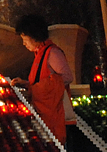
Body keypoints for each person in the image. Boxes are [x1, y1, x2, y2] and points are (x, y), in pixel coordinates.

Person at [11, 15, 74, 144]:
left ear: (34, 36)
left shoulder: (52, 53)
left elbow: (67, 77)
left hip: (55, 115)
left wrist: (38, 87)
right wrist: (27, 84)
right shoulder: (40, 54)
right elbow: (43, 80)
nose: (24, 43)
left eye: (25, 39)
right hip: (45, 114)